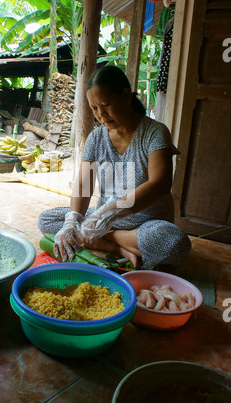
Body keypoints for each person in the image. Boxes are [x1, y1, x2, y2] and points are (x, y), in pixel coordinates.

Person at [38, 65, 191, 270]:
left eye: (106, 105)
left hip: (145, 225)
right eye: (94, 108)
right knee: (48, 220)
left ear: (126, 96)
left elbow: (160, 184)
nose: (100, 114)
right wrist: (73, 221)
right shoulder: (96, 137)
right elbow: (84, 185)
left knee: (174, 242)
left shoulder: (154, 132)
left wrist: (107, 215)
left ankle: (102, 239)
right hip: (102, 218)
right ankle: (117, 247)